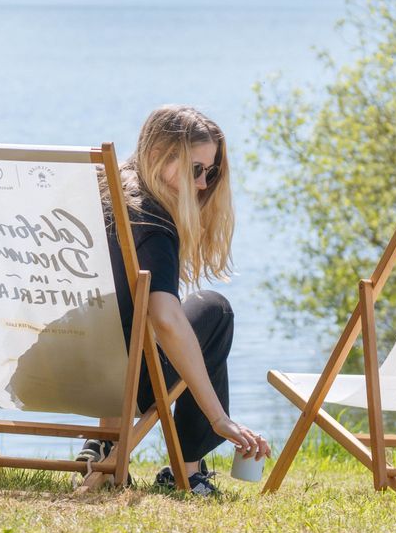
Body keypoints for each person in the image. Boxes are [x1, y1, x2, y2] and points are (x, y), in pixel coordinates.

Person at [81, 105, 272, 495]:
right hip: (122, 379)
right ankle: (186, 470)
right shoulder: (154, 223)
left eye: (210, 172)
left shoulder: (98, 194)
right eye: (195, 169)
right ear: (156, 157)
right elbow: (165, 318)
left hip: (55, 364)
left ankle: (103, 441)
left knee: (122, 316)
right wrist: (219, 418)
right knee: (212, 310)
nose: (203, 184)